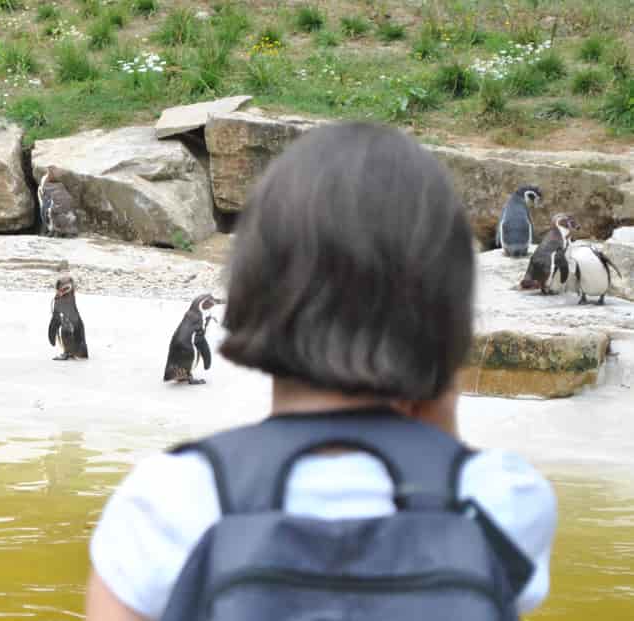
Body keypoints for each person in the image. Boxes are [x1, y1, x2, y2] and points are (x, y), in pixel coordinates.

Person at [85, 122, 557, 620]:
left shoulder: (168, 501)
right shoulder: (501, 500)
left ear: (252, 294)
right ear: (450, 315)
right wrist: (438, 399)